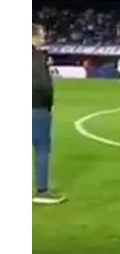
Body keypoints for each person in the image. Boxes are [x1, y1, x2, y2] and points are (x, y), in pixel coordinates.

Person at [32, 24, 67, 205]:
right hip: (36, 108)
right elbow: (42, 86)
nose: (44, 39)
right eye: (41, 36)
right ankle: (42, 191)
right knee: (42, 147)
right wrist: (48, 104)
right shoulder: (38, 57)